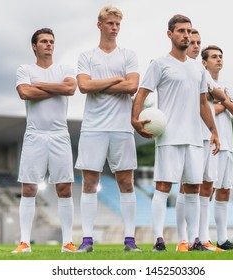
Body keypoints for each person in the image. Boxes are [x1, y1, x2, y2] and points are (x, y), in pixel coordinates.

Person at [131, 15, 219, 252]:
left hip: (194, 138)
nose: (186, 35)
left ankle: (193, 241)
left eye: (189, 31)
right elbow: (142, 93)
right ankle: (158, 239)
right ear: (169, 34)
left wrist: (213, 130)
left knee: (192, 188)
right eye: (181, 31)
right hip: (169, 136)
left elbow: (203, 104)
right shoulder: (159, 64)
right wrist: (134, 119)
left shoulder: (198, 69)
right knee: (163, 186)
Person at [75, 6, 141, 252]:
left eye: (117, 24)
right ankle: (87, 240)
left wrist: (99, 84)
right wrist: (116, 80)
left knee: (126, 182)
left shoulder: (128, 55)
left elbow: (132, 86)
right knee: (89, 182)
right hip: (93, 127)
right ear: (99, 24)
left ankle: (130, 240)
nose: (114, 28)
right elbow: (83, 86)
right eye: (110, 23)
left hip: (121, 128)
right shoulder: (86, 56)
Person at [11, 28, 77, 254]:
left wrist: (38, 86)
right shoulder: (25, 69)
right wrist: (55, 89)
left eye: (51, 41)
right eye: (44, 41)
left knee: (64, 188)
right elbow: (24, 93)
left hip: (60, 135)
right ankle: (25, 243)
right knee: (28, 188)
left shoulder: (65, 69)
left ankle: (67, 242)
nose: (49, 45)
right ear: (34, 46)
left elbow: (70, 88)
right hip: (34, 135)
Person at [175, 29, 226, 252]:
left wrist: (212, 94)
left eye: (198, 42)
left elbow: (218, 95)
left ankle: (203, 239)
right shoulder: (180, 68)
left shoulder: (199, 70)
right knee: (186, 188)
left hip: (206, 134)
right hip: (189, 135)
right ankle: (183, 239)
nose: (195, 45)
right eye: (192, 42)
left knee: (207, 186)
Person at [202, 45, 233, 250]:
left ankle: (222, 239)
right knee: (208, 189)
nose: (219, 60)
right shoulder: (203, 82)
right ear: (204, 62)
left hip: (228, 146)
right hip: (211, 143)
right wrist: (223, 103)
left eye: (220, 56)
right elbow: (208, 110)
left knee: (225, 190)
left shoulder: (226, 86)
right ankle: (203, 237)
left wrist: (223, 100)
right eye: (214, 57)